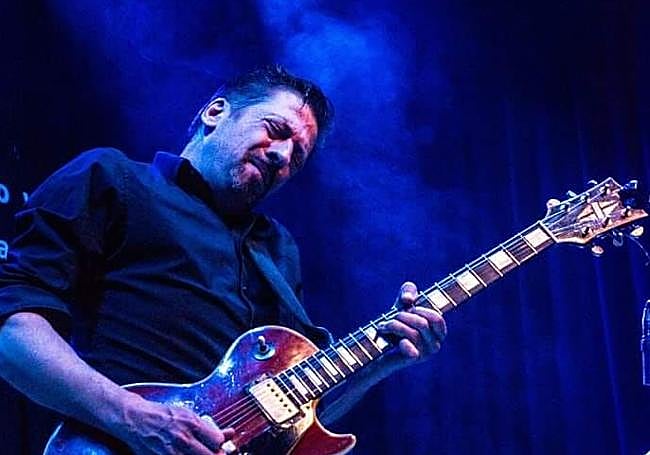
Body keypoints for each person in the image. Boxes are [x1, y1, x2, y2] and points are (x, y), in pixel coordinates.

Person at [0, 65, 447, 454]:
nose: (282, 155)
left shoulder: (278, 249)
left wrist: (381, 360)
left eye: (298, 156)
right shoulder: (114, 178)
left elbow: (297, 412)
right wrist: (135, 418)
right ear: (215, 113)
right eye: (276, 129)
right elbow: (11, 324)